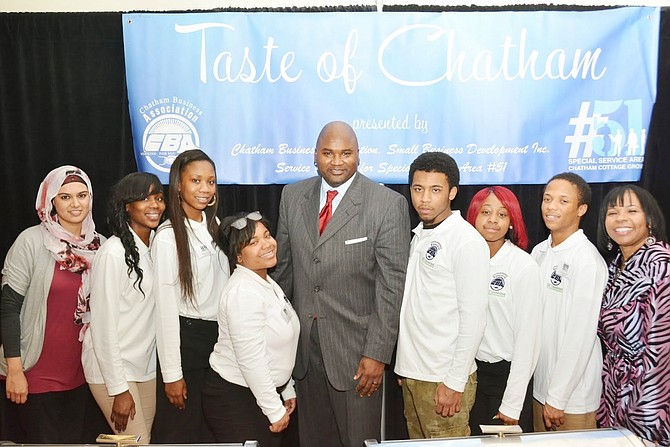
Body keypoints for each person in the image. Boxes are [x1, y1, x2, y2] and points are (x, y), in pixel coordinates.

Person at [273, 121, 410, 447]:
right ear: (315, 156)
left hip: (358, 357)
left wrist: (377, 353)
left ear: (359, 156)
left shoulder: (386, 204)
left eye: (346, 153)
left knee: (358, 442)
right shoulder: (292, 196)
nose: (336, 161)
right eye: (328, 153)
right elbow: (282, 274)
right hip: (304, 353)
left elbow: (392, 286)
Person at [0, 165, 105, 443]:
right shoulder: (31, 242)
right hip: (36, 376)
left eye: (82, 195)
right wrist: (14, 370)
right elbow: (9, 308)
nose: (75, 204)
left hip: (86, 376)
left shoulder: (102, 246)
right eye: (65, 197)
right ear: (51, 202)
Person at [394, 152, 490, 439]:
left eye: (435, 190)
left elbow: (474, 319)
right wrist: (405, 364)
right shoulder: (420, 235)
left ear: (452, 193)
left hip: (443, 379)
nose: (424, 198)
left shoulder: (466, 241)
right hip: (414, 373)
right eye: (417, 188)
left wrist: (454, 381)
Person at [151, 149, 230, 443]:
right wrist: (172, 373)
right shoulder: (168, 237)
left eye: (210, 181)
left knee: (213, 433)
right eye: (196, 180)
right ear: (178, 185)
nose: (205, 189)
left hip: (218, 344)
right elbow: (165, 311)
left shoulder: (215, 226)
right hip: (188, 346)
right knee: (183, 433)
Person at [82, 172, 166, 442]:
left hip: (144, 367)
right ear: (127, 206)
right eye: (144, 199)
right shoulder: (113, 252)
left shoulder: (155, 247)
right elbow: (102, 327)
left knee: (143, 441)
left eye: (159, 198)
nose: (154, 205)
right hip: (112, 371)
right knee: (135, 443)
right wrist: (118, 389)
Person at [203, 211, 299, 447]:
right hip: (236, 398)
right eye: (253, 242)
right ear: (238, 255)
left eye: (267, 235)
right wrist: (274, 410)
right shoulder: (243, 292)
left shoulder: (264, 280)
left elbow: (274, 345)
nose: (267, 245)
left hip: (258, 393)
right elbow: (252, 360)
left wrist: (286, 388)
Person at [531, 172, 607, 432]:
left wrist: (558, 396)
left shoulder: (587, 260)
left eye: (563, 201)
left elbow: (581, 334)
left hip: (571, 398)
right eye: (547, 199)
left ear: (581, 209)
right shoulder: (538, 252)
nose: (551, 206)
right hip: (541, 388)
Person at [596, 185, 670, 446]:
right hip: (615, 393)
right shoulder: (615, 265)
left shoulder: (661, 266)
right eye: (612, 212)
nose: (621, 219)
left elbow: (660, 351)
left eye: (631, 211)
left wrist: (647, 413)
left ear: (649, 219)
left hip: (650, 398)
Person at [465, 186, 541, 434]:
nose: (492, 220)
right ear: (474, 216)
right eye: (486, 212)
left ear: (511, 222)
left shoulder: (523, 266)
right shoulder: (463, 259)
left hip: (506, 377)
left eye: (502, 214)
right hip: (470, 374)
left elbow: (528, 339)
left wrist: (512, 402)